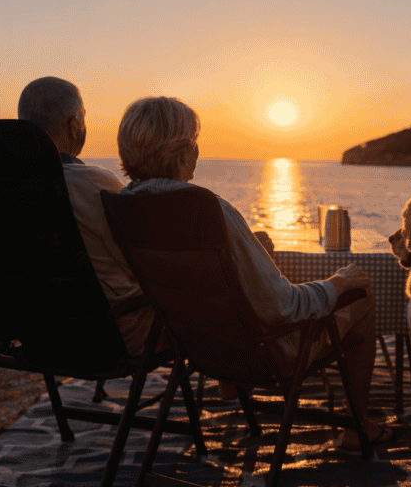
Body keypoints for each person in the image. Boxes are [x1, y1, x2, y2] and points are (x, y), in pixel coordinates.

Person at [116, 96, 394, 449]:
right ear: (186, 153)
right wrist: (338, 284)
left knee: (255, 268)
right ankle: (356, 429)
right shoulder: (209, 210)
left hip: (201, 349)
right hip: (266, 354)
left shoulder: (123, 207)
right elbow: (282, 306)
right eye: (194, 144)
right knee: (361, 294)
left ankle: (230, 382)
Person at [17, 76, 152, 356]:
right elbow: (139, 264)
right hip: (113, 335)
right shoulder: (95, 184)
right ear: (74, 124)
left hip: (36, 334)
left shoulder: (0, 187)